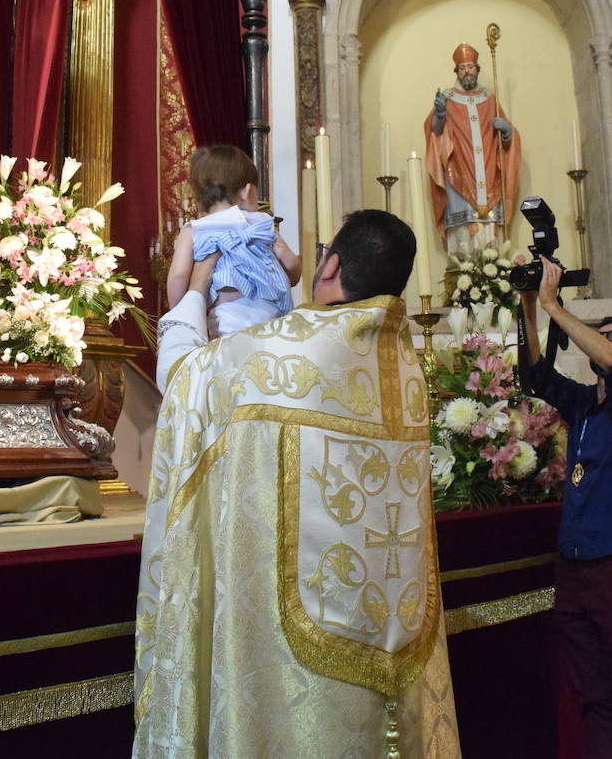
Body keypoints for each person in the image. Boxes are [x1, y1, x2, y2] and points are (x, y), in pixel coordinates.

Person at [138, 210, 460, 758]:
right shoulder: (404, 362)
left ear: (330, 266)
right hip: (390, 612)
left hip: (298, 646)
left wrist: (192, 295)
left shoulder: (284, 352)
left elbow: (182, 380)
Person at [518, 258, 612, 759]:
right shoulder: (583, 404)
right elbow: (537, 376)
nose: (606, 341)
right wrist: (527, 302)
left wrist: (554, 305)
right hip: (575, 568)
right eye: (603, 335)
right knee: (593, 698)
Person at [166, 144, 302, 338]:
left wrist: (180, 312)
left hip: (227, 324)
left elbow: (178, 275)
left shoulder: (195, 230)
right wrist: (292, 276)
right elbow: (292, 264)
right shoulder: (261, 223)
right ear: (247, 191)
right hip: (273, 321)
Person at [423, 42, 522, 253]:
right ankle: (462, 268)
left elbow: (507, 144)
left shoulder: (490, 99)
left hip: (488, 174)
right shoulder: (447, 98)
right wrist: (440, 114)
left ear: (477, 69)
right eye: (462, 68)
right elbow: (435, 133)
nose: (466, 71)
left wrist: (506, 131)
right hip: (458, 173)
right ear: (457, 71)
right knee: (463, 234)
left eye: (470, 66)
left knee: (489, 237)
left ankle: (493, 267)